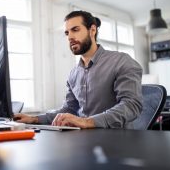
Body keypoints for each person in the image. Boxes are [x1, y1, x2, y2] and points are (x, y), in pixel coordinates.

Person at [14, 10, 143, 129]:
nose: (69, 37)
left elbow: (131, 105)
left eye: (75, 30)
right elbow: (70, 108)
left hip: (116, 140)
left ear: (92, 30)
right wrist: (34, 119)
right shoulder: (73, 74)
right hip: (83, 139)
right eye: (67, 33)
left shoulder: (121, 61)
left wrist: (88, 122)